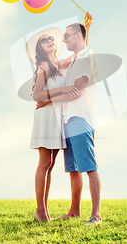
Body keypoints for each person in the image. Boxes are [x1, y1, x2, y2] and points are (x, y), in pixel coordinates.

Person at [35, 12, 102, 226]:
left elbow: (76, 91)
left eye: (66, 36)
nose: (62, 40)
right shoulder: (73, 60)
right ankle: (74, 211)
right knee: (73, 168)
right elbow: (79, 48)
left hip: (79, 119)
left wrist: (48, 100)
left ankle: (96, 215)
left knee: (89, 167)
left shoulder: (84, 58)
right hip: (65, 120)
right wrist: (85, 30)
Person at [29, 30, 78, 222]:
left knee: (50, 164)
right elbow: (37, 95)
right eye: (44, 41)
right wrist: (62, 89)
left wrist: (87, 29)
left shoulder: (58, 64)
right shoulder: (43, 65)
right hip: (46, 117)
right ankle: (40, 211)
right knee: (44, 163)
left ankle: (43, 211)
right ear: (40, 48)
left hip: (57, 116)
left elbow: (78, 54)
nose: (49, 41)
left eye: (51, 39)